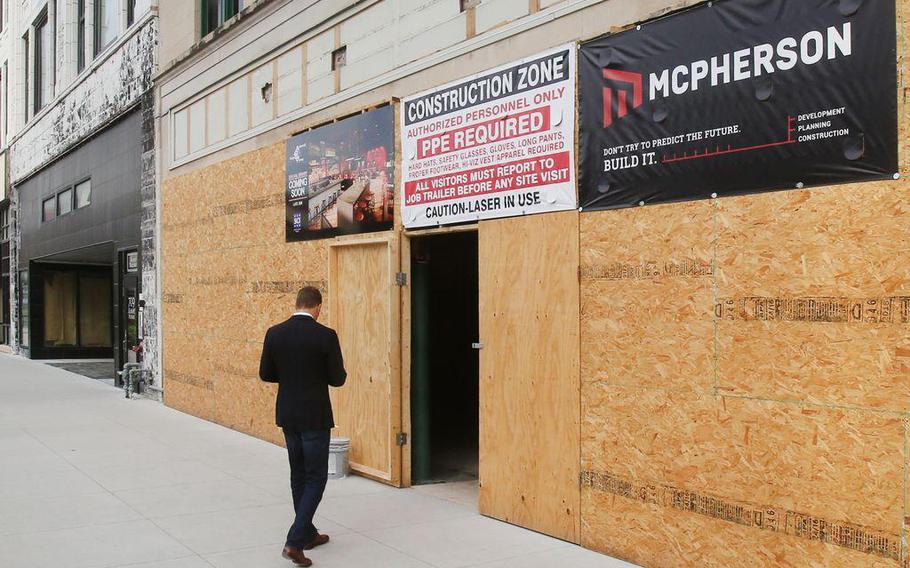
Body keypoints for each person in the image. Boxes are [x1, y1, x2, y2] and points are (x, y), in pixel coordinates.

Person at [259, 286, 347, 567]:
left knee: (298, 474)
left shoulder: (275, 332)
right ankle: (295, 541)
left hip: (288, 414)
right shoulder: (326, 336)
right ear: (317, 307)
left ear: (296, 303)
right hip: (315, 417)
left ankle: (307, 533)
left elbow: (266, 374)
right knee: (316, 477)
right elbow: (338, 378)